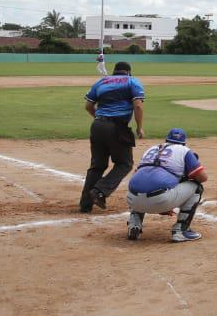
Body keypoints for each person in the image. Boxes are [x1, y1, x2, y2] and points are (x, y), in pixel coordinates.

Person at [79, 61, 146, 213]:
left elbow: (88, 106)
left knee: (97, 165)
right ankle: (99, 191)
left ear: (115, 71)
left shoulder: (102, 81)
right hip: (117, 127)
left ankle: (85, 204)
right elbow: (138, 105)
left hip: (97, 126)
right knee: (124, 163)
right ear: (129, 72)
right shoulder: (132, 81)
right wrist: (139, 127)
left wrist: (100, 119)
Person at [126, 128, 207, 243]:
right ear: (184, 143)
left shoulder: (151, 149)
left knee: (141, 184)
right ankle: (181, 231)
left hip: (132, 200)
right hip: (160, 200)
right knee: (196, 187)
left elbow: (137, 174)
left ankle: (134, 225)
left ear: (166, 140)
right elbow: (203, 177)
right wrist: (184, 176)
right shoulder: (184, 150)